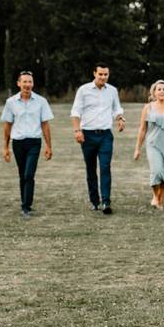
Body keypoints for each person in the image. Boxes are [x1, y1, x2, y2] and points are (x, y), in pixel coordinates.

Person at [71, 63, 124, 214]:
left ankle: (106, 202)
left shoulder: (112, 91)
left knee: (105, 167)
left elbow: (116, 109)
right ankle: (95, 201)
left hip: (106, 135)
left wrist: (120, 118)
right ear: (94, 73)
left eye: (106, 74)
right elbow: (76, 111)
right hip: (87, 135)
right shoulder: (84, 90)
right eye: (100, 74)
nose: (103, 77)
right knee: (91, 169)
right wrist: (77, 130)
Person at [1, 71, 53, 219]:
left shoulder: (41, 101)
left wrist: (49, 146)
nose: (27, 85)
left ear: (33, 83)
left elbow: (45, 125)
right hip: (18, 143)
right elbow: (7, 126)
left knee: (29, 174)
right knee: (22, 174)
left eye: (30, 82)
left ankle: (26, 207)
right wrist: (5, 147)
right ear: (19, 84)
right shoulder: (11, 102)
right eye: (24, 82)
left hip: (34, 142)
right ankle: (25, 203)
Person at [133, 80, 164, 210]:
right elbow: (142, 129)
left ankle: (161, 200)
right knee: (157, 171)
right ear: (154, 93)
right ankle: (155, 196)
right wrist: (137, 148)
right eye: (159, 89)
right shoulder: (148, 108)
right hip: (153, 144)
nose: (161, 91)